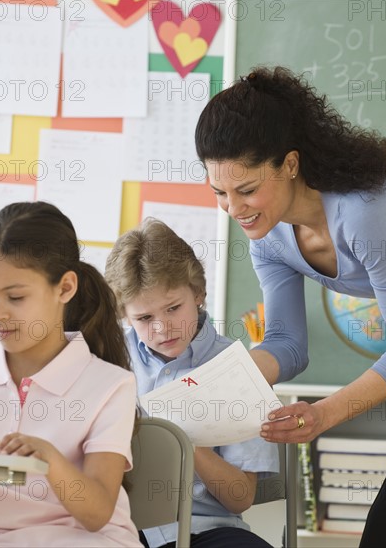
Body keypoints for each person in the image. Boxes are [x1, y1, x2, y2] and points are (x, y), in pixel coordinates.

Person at [194, 66, 386, 547]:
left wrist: (323, 414)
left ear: (290, 163)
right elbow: (287, 346)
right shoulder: (269, 239)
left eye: (247, 190)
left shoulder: (362, 210)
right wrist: (214, 383)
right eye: (219, 193)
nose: (234, 209)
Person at [0, 201, 142, 547]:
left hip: (87, 540)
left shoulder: (112, 386)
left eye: (16, 297)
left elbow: (97, 515)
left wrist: (50, 459)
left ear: (65, 288)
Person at [105, 218, 279, 548]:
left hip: (208, 530)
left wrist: (185, 443)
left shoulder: (238, 369)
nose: (162, 328)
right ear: (125, 315)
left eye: (173, 308)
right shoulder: (107, 359)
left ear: (197, 293)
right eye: (144, 318)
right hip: (119, 528)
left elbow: (240, 498)